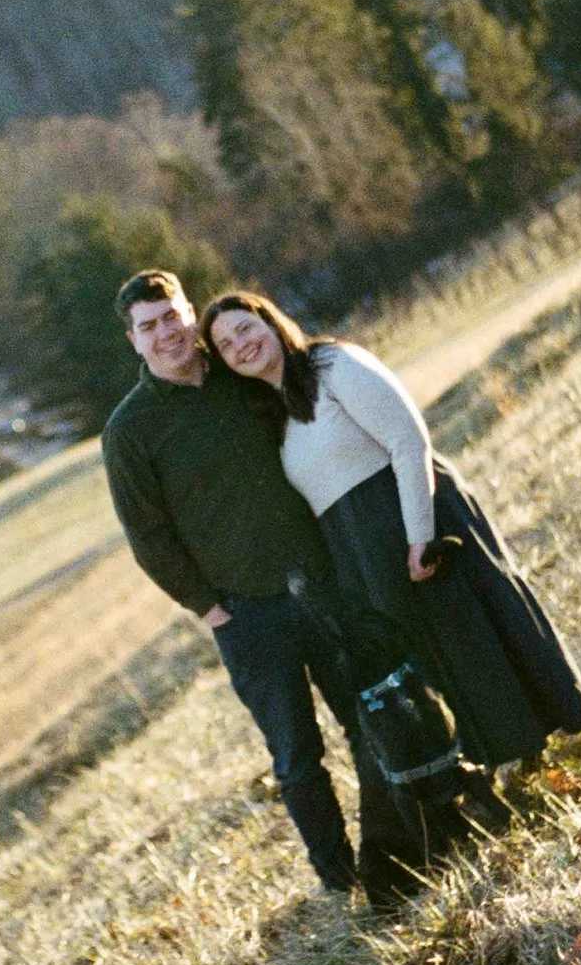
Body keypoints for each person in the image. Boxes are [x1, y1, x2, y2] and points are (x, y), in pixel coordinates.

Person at [101, 269, 419, 904]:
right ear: (133, 341)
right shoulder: (129, 432)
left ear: (190, 316)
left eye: (172, 317)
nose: (165, 334)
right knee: (297, 757)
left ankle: (399, 847)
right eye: (149, 327)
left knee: (366, 716)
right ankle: (340, 876)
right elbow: (148, 538)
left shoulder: (237, 379)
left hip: (320, 582)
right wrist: (209, 608)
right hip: (245, 616)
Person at [199, 290, 581, 778]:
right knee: (434, 653)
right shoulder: (273, 413)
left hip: (414, 512)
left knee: (472, 630)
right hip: (362, 547)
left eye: (245, 328)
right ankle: (496, 755)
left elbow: (408, 439)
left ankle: (536, 739)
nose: (241, 345)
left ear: (270, 322)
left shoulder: (332, 364)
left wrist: (419, 535)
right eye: (225, 344)